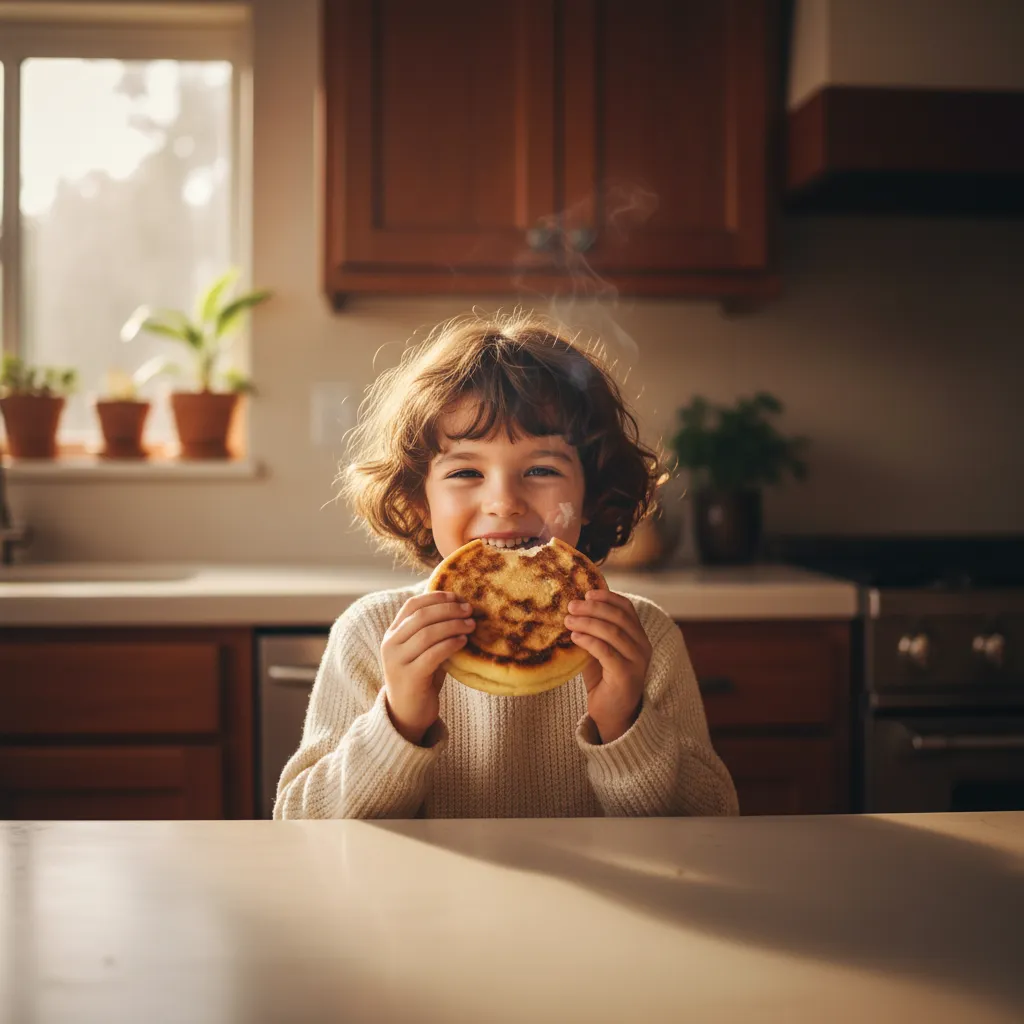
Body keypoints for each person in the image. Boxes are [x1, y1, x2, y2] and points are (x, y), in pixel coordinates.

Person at [274, 312, 738, 819]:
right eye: (467, 470)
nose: (504, 501)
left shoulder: (640, 636)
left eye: (541, 469)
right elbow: (303, 825)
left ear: (591, 494)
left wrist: (624, 722)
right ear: (419, 501)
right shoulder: (373, 634)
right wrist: (400, 721)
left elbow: (711, 823)